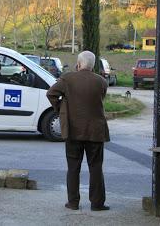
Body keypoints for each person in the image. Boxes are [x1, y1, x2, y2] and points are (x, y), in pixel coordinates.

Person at [46, 51, 110, 211]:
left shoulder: (68, 79)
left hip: (73, 130)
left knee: (73, 167)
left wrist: (60, 108)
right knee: (96, 167)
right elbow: (99, 100)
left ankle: (73, 202)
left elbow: (51, 93)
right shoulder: (102, 82)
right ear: (93, 65)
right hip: (95, 131)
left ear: (78, 64)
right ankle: (97, 203)